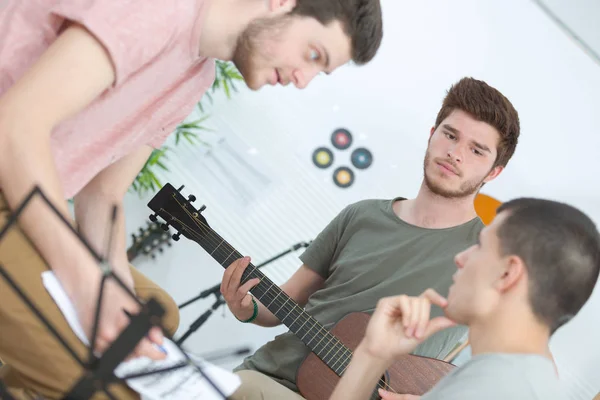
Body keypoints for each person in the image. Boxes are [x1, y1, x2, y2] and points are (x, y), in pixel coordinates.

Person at [0, 0, 383, 398]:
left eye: (320, 72)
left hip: (22, 195)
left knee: (154, 311)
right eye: (313, 54)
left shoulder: (194, 77)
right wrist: (89, 285)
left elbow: (104, 193)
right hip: (10, 179)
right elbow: (14, 126)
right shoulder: (163, 11)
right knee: (111, 388)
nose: (304, 80)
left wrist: (115, 289)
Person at [222, 76, 521, 399]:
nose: (455, 153)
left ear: (494, 172)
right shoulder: (360, 215)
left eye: (476, 150)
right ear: (432, 135)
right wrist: (248, 309)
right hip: (272, 378)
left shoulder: (489, 258)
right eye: (450, 135)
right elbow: (289, 299)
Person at [329, 197, 600, 400]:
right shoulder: (523, 381)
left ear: (507, 273)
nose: (460, 258)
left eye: (480, 246)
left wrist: (369, 356)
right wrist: (374, 355)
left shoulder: (489, 388)